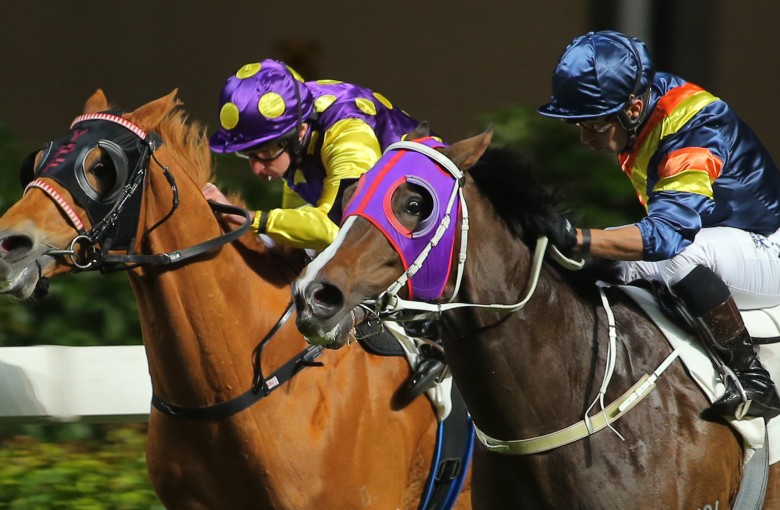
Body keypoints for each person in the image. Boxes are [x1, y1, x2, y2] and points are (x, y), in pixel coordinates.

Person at [536, 30, 780, 420]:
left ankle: (754, 380)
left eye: (593, 125)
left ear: (632, 109)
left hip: (768, 249)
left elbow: (668, 237)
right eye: (577, 124)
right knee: (605, 270)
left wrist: (577, 237)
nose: (584, 138)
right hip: (725, 241)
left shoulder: (696, 125)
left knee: (679, 258)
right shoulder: (641, 109)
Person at [204, 58, 445, 395]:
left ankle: (433, 343)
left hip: (426, 229)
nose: (258, 170)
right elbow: (298, 225)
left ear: (298, 132)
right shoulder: (299, 129)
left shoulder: (348, 131)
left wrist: (250, 219)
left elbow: (335, 229)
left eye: (265, 154)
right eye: (250, 156)